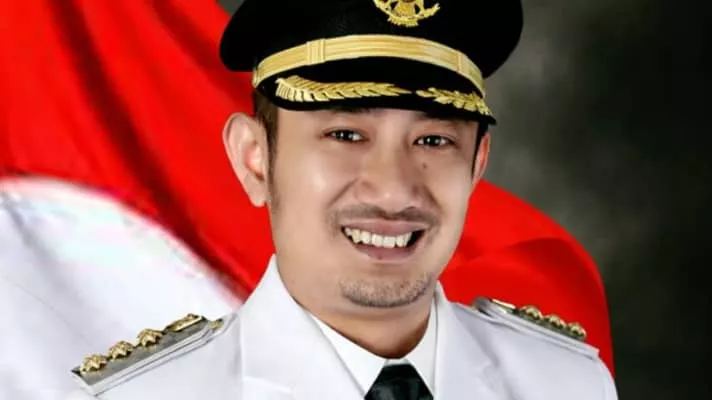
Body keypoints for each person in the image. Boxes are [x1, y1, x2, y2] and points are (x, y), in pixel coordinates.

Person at [66, 0, 618, 399]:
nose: (394, 188)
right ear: (255, 159)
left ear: (477, 165)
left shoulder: (566, 384)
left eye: (433, 141)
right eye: (345, 134)